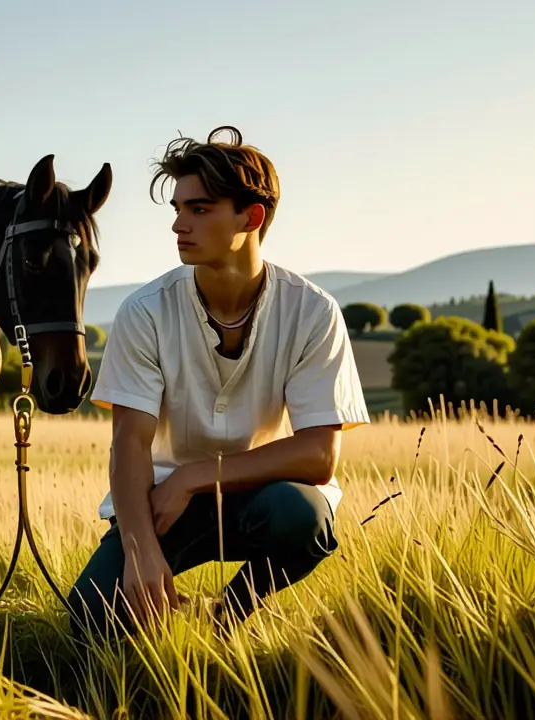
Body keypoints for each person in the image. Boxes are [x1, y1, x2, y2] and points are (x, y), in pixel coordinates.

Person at [66, 126, 371, 640]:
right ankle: (153, 607)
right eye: (177, 209)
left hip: (257, 496)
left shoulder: (312, 311)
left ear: (251, 217)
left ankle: (222, 622)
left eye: (199, 209)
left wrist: (195, 476)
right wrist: (140, 550)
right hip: (157, 504)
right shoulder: (144, 312)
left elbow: (320, 456)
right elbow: (128, 445)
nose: (179, 225)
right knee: (91, 617)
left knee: (304, 517)